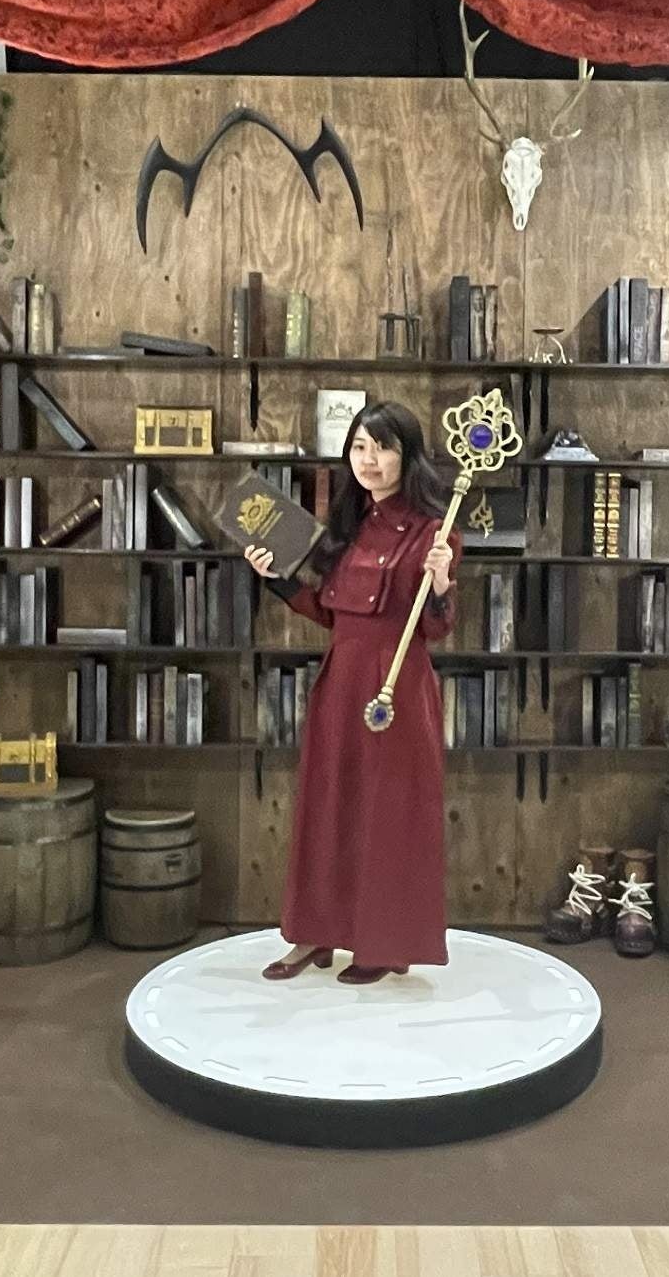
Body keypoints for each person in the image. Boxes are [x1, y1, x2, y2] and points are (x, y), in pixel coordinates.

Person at [244, 400, 461, 985]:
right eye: (359, 447)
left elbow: (435, 627)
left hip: (395, 690)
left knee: (387, 813)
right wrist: (277, 579)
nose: (369, 460)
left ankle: (381, 943)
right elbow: (331, 613)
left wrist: (442, 584)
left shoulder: (435, 532)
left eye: (383, 448)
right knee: (328, 806)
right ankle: (315, 933)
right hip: (341, 681)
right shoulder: (347, 525)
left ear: (407, 457)